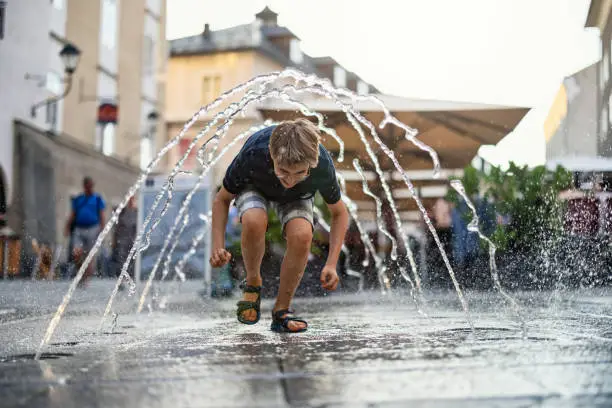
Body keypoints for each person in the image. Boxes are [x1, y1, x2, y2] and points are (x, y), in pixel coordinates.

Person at [209, 119, 349, 333]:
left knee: (302, 234)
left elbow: (339, 213)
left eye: (300, 172)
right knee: (255, 220)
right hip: (254, 185)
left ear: (311, 164)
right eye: (283, 170)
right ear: (272, 156)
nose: (290, 179)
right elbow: (221, 200)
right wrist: (218, 246)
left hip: (297, 197)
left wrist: (331, 263)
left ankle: (282, 310)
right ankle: (253, 282)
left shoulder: (321, 165)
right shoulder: (254, 154)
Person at [64, 177, 106, 286]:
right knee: (76, 252)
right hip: (79, 228)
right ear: (84, 186)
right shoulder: (78, 199)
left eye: (92, 185)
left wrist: (103, 230)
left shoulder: (97, 199)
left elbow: (102, 215)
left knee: (89, 255)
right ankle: (80, 272)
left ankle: (86, 278)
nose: (90, 188)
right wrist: (67, 227)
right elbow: (73, 214)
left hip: (93, 228)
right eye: (88, 185)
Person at [113, 196, 138, 279]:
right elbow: (117, 227)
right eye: (129, 200)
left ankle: (133, 277)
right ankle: (121, 278)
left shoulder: (137, 212)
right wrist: (115, 239)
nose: (130, 202)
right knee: (121, 259)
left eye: (132, 200)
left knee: (133, 259)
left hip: (133, 239)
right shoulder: (123, 212)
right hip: (123, 239)